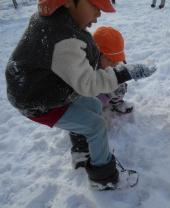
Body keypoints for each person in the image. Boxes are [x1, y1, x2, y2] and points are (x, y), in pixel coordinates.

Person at [5, 0, 155, 189]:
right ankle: (104, 178)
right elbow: (88, 84)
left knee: (92, 105)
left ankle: (82, 151)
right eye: (95, 6)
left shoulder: (55, 23)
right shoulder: (63, 40)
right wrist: (124, 73)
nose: (98, 14)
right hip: (38, 101)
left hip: (45, 88)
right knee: (96, 125)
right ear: (67, 2)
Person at [93, 26, 133, 114]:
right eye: (110, 59)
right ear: (97, 55)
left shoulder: (113, 65)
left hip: (106, 88)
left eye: (117, 59)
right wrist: (107, 96)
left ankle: (117, 102)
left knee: (119, 82)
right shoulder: (88, 68)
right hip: (92, 95)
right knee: (95, 102)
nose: (115, 64)